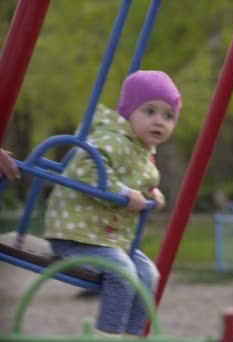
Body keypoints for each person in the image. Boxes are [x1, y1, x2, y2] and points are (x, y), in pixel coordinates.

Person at [43, 70, 182, 337]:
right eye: (149, 111)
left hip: (108, 238)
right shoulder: (111, 140)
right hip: (77, 235)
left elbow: (135, 177)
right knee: (123, 274)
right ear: (128, 111)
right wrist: (123, 191)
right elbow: (83, 170)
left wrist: (152, 191)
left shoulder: (141, 150)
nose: (159, 121)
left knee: (150, 276)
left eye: (168, 116)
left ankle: (132, 335)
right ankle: (107, 336)